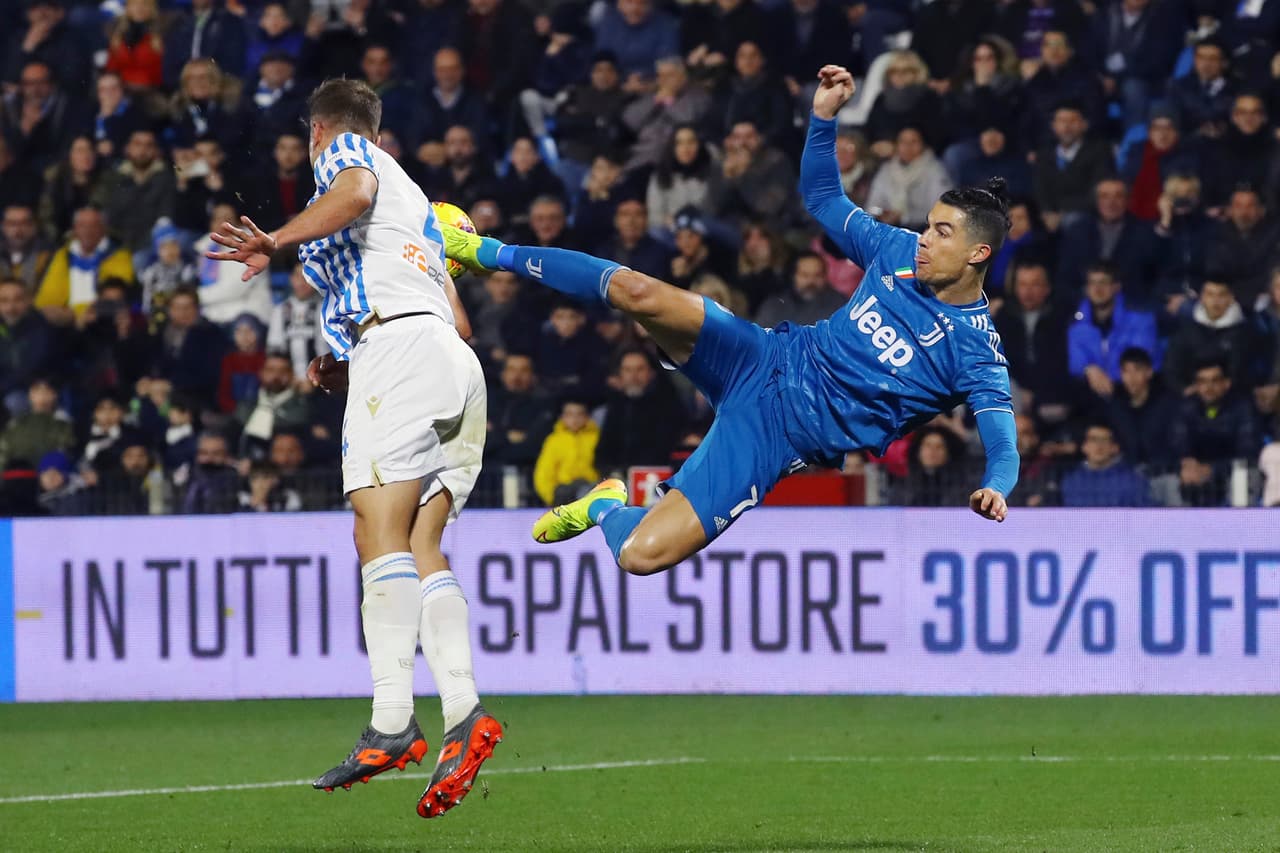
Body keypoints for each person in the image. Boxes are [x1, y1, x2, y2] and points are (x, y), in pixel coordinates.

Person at [440, 65, 1018, 574]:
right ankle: (483, 251)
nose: (923, 238)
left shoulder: (975, 351)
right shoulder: (893, 250)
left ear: (977, 254)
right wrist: (821, 119)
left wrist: (995, 486)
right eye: (928, 223)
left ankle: (605, 506)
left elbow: (1003, 443)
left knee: (640, 555)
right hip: (763, 355)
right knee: (639, 291)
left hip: (776, 436)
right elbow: (821, 198)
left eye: (942, 232)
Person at [205, 78, 500, 817]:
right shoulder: (421, 215)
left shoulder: (351, 156)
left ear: (317, 131)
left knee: (376, 530)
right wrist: (344, 357)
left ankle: (393, 720)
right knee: (421, 542)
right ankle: (464, 712)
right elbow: (458, 323)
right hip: (453, 364)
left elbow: (356, 189)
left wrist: (275, 238)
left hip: (401, 354)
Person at [1060, 421, 1152, 507]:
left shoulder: (1132, 480)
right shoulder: (1072, 480)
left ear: (1115, 448)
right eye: (1093, 439)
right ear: (1084, 447)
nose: (1099, 446)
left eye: (1105, 440)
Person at [533, 397, 600, 506]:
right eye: (570, 415)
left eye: (579, 414)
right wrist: (551, 497)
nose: (575, 419)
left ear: (587, 417)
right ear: (562, 417)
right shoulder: (554, 440)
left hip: (591, 491)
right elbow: (543, 473)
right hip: (563, 495)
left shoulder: (597, 439)